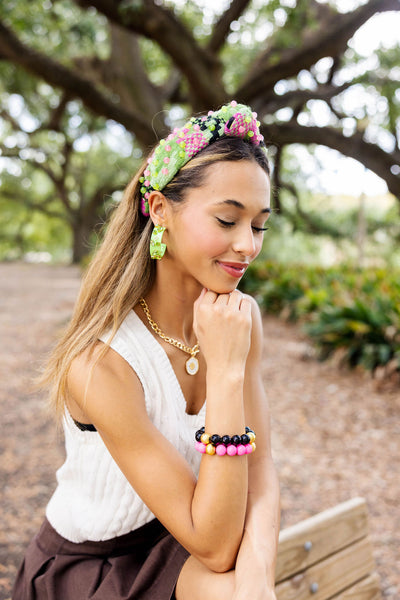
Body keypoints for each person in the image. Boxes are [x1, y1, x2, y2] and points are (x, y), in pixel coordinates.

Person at [13, 101, 280, 600]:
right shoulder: (102, 365)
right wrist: (224, 372)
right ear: (160, 210)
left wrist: (259, 579)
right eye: (227, 220)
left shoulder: (240, 319)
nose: (247, 245)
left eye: (259, 225)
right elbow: (217, 548)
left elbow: (261, 470)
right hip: (94, 569)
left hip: (186, 537)